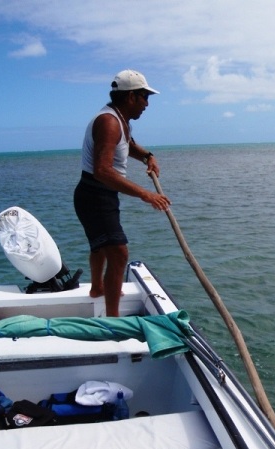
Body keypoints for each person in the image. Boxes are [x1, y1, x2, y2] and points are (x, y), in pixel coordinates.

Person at [74, 69, 171, 317]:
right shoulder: (108, 122)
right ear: (130, 97)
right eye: (144, 97)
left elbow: (128, 144)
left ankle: (98, 288)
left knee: (100, 246)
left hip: (98, 195)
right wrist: (146, 194)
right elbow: (103, 171)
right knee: (118, 253)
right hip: (95, 195)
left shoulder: (119, 119)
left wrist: (148, 156)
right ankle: (113, 320)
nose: (147, 104)